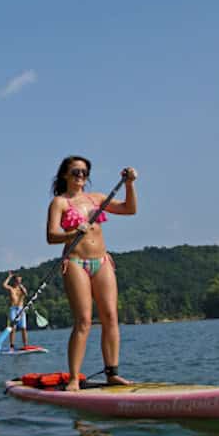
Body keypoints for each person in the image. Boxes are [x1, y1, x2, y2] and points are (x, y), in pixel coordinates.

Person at [46, 156, 138, 391]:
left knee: (110, 317)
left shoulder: (96, 198)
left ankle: (112, 373)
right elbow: (51, 236)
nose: (81, 177)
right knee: (84, 321)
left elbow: (129, 210)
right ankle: (74, 378)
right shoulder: (60, 202)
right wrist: (73, 232)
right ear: (65, 174)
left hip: (102, 261)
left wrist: (129, 184)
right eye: (76, 172)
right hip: (76, 262)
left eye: (85, 173)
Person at [2, 271, 29, 350]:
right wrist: (9, 277)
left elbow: (26, 294)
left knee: (23, 328)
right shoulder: (11, 288)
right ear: (14, 281)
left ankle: (25, 345)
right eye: (17, 280)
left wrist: (22, 288)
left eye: (20, 280)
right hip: (13, 309)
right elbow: (4, 285)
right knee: (13, 327)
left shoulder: (22, 288)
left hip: (21, 309)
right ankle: (12, 345)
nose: (18, 282)